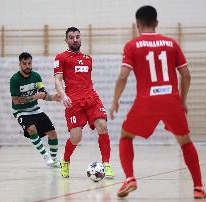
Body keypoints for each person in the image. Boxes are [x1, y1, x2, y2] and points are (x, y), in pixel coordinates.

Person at [110, 5, 205, 199]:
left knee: (126, 136)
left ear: (137, 24)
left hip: (146, 102)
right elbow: (186, 75)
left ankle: (129, 178)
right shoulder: (171, 43)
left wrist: (115, 101)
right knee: (185, 141)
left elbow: (123, 76)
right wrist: (182, 101)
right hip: (171, 101)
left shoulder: (132, 45)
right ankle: (198, 187)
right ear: (156, 23)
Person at [54, 27, 114, 178]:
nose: (75, 40)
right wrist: (64, 96)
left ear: (80, 38)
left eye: (77, 37)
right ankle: (65, 161)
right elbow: (58, 80)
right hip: (73, 102)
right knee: (76, 137)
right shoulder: (61, 57)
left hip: (91, 99)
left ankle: (106, 165)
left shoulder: (88, 59)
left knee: (103, 126)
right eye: (71, 37)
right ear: (66, 40)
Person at [10, 52, 61, 167]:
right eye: (24, 63)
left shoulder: (36, 76)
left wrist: (52, 97)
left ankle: (54, 160)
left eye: (29, 63)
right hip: (21, 111)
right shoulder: (15, 79)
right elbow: (16, 100)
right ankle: (46, 156)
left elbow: (43, 93)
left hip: (35, 109)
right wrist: (34, 97)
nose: (27, 66)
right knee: (32, 129)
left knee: (53, 133)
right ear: (20, 64)